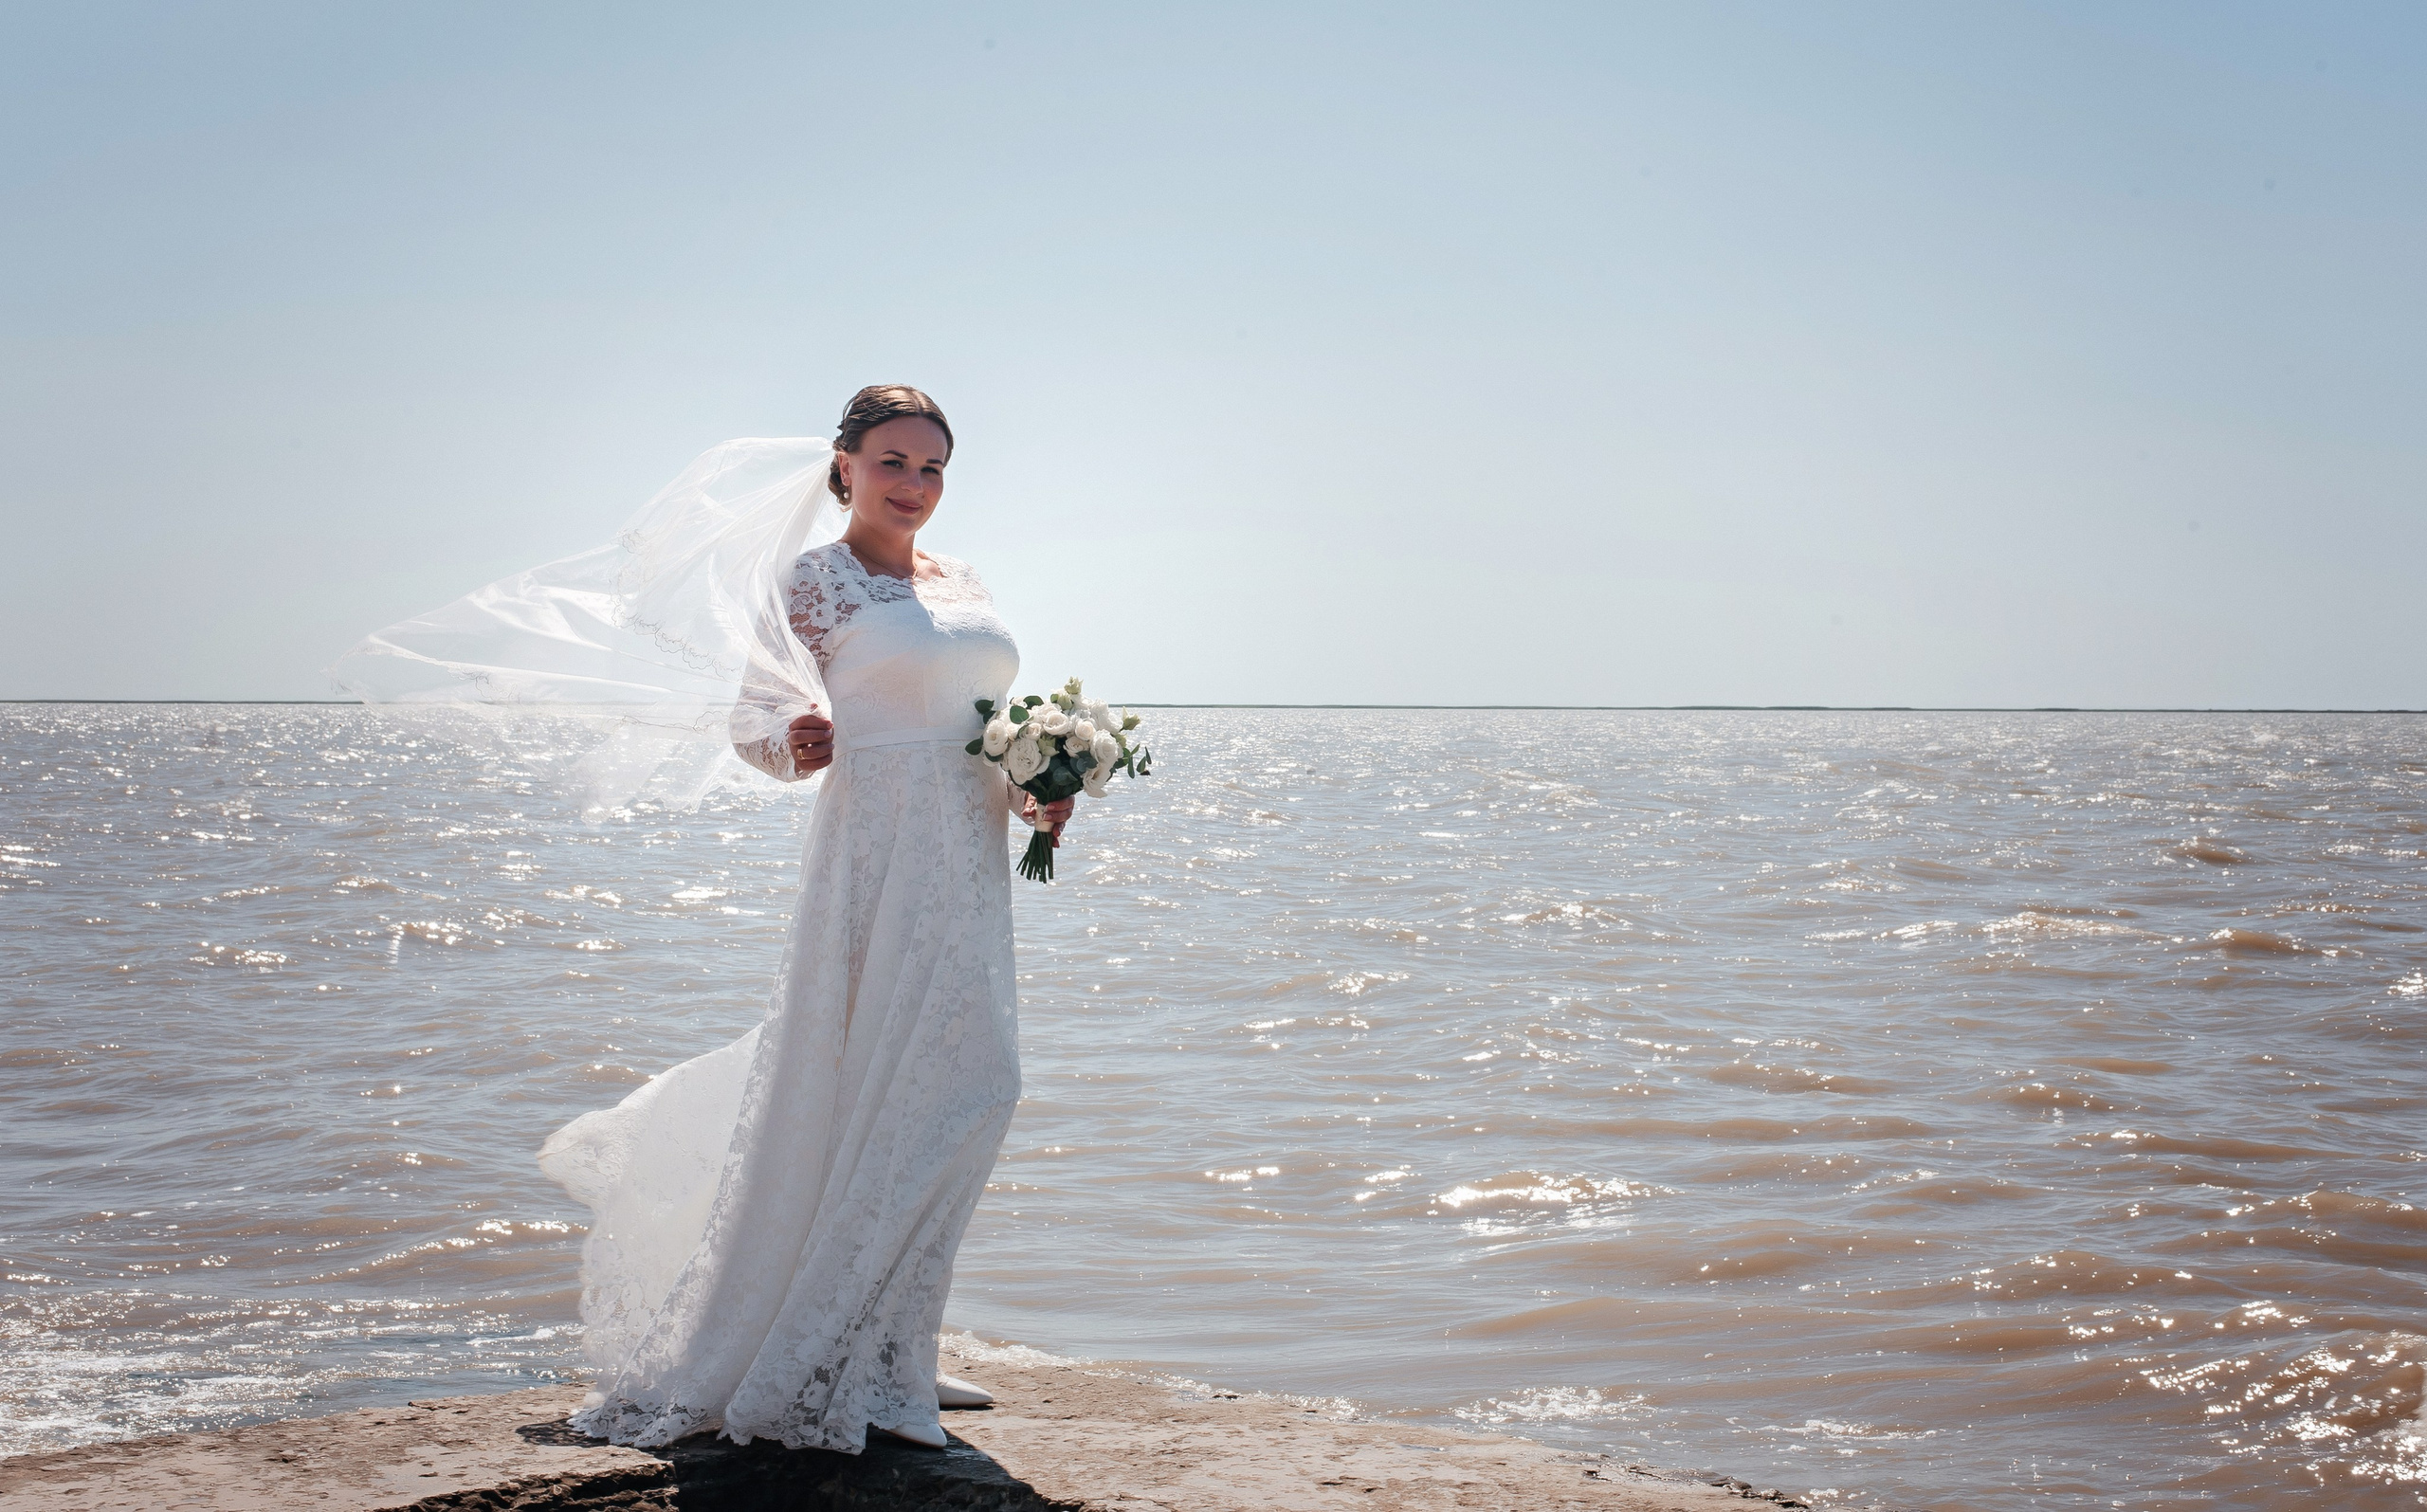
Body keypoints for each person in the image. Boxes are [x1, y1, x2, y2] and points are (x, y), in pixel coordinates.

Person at [534, 385, 1073, 1452]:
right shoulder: (813, 581)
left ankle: (894, 1343)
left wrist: (1036, 784)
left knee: (965, 1087)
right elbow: (756, 721)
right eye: (893, 462)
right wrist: (796, 738)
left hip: (968, 856)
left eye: (931, 467)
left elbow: (983, 722)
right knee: (871, 1084)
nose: (913, 484)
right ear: (844, 465)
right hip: (873, 854)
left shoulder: (961, 581)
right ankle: (852, 1351)